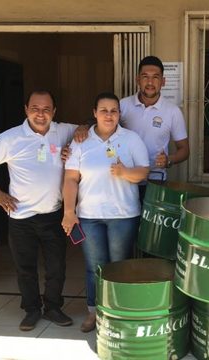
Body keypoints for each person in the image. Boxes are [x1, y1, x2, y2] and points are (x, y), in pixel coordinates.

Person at [0, 90, 75, 331]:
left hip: (53, 214)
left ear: (54, 112)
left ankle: (52, 307)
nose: (41, 114)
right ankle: (31, 310)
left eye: (46, 109)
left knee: (56, 267)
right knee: (25, 268)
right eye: (35, 108)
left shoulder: (62, 131)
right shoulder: (10, 138)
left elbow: (92, 127)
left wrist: (77, 137)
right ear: (26, 109)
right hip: (21, 217)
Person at [61, 92, 149, 332]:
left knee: (119, 266)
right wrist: (69, 211)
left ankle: (118, 314)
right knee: (94, 267)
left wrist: (125, 173)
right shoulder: (80, 141)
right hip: (89, 216)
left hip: (123, 215)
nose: (109, 115)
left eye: (113, 110)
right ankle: (94, 313)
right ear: (94, 113)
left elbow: (143, 172)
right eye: (104, 110)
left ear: (119, 114)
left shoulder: (131, 139)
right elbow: (70, 179)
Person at [71, 56, 189, 199]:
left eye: (156, 77)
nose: (150, 82)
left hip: (155, 179)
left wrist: (168, 160)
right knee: (129, 218)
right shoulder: (123, 105)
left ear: (163, 81)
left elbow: (184, 150)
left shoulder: (172, 111)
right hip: (124, 177)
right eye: (145, 77)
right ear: (137, 80)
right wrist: (83, 127)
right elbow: (103, 122)